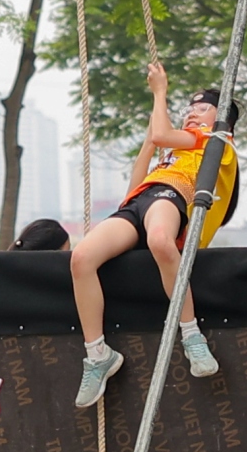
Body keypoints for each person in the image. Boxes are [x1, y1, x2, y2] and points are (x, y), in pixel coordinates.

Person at [69, 64, 238, 407]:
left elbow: (163, 134)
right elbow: (135, 186)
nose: (192, 113)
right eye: (189, 109)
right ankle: (97, 353)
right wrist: (150, 143)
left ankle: (191, 335)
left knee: (160, 241)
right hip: (141, 202)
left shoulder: (217, 141)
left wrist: (159, 92)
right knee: (81, 258)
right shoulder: (176, 152)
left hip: (173, 195)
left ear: (222, 119)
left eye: (202, 108)